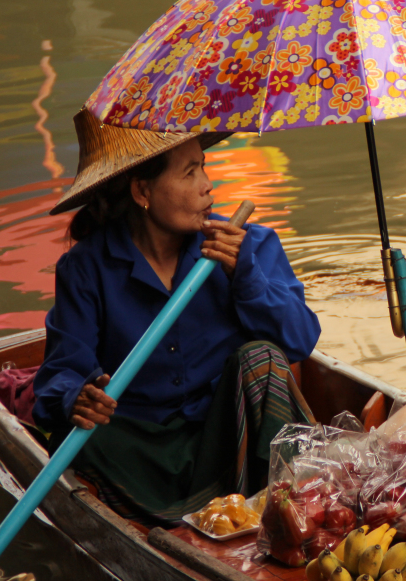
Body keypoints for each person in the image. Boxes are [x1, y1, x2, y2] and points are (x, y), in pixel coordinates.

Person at [33, 109, 321, 524]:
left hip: (226, 439)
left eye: (202, 167)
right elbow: (62, 370)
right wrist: (78, 396)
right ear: (142, 191)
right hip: (141, 451)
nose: (209, 187)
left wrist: (246, 280)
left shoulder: (247, 248)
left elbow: (300, 339)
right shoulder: (85, 269)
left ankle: (281, 513)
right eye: (189, 173)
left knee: (263, 361)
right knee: (77, 437)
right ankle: (173, 521)